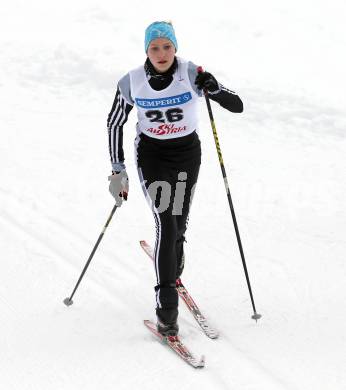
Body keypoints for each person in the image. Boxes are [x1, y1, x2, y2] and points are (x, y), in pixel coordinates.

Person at [107, 21, 243, 336]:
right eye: (154, 48)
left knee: (178, 223)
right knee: (165, 221)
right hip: (151, 157)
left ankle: (173, 250)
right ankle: (166, 304)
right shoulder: (132, 81)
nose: (161, 53)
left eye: (167, 47)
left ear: (175, 48)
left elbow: (237, 106)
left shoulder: (191, 73)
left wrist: (214, 88)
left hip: (186, 155)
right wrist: (118, 168)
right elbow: (115, 123)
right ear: (146, 50)